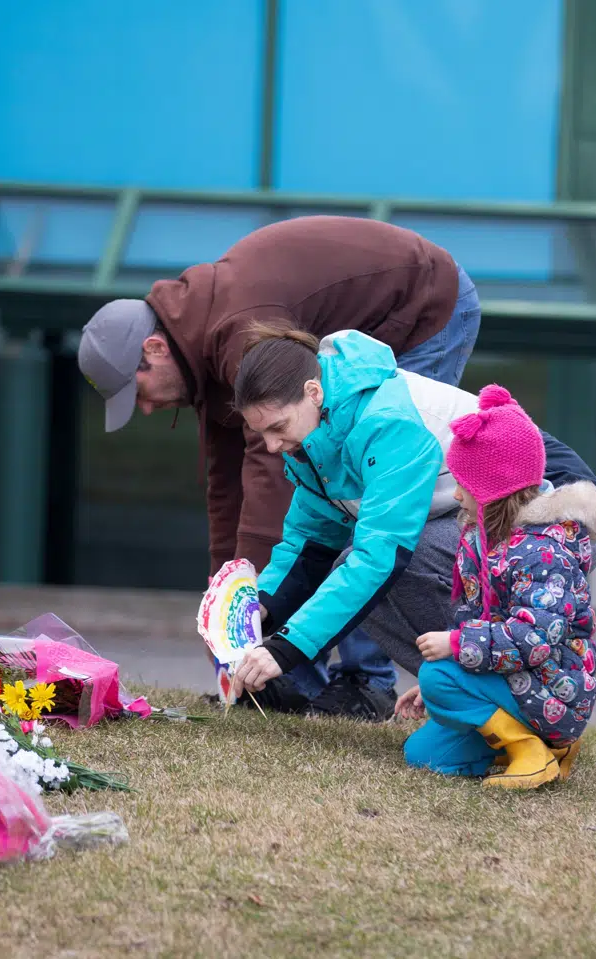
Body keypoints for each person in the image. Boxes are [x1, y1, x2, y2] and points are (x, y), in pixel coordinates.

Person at [78, 215, 482, 720]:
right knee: (331, 501)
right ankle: (295, 678)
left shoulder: (240, 332)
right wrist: (233, 601)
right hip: (358, 338)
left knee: (372, 516)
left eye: (136, 392)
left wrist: (266, 637)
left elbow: (274, 473)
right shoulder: (203, 348)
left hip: (424, 304)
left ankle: (365, 682)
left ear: (153, 350)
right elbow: (226, 488)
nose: (145, 409)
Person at [225, 326, 596, 720]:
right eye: (260, 432)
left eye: (277, 428)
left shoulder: (385, 420)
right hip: (476, 513)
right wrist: (260, 607)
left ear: (312, 392)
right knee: (361, 565)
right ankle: (471, 694)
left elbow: (378, 558)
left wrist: (286, 650)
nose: (270, 446)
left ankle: (524, 698)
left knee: (395, 562)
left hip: (554, 508)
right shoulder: (313, 431)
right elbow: (311, 540)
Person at [405, 385, 596, 788]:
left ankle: (530, 751)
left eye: (466, 484)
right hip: (517, 683)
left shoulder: (543, 553)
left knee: (436, 676)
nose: (456, 493)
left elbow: (536, 638)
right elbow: (477, 615)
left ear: (495, 492)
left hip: (557, 692)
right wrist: (458, 682)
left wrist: (457, 649)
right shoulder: (482, 539)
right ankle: (549, 747)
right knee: (423, 755)